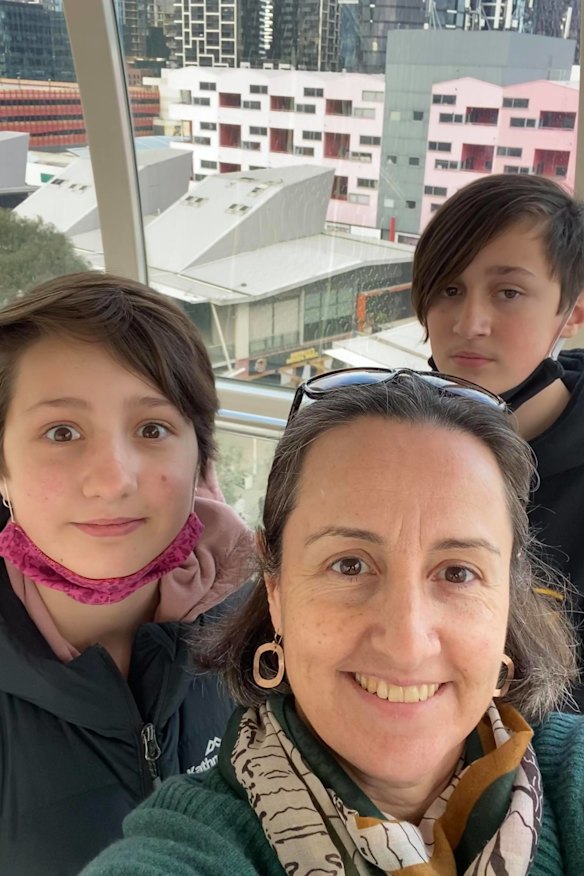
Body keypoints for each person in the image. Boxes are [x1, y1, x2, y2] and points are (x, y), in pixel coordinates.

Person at [81, 369, 582, 876]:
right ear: (274, 586)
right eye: (349, 565)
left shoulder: (573, 780)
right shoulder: (190, 851)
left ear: (508, 595)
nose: (406, 643)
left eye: (458, 572)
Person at [0, 272, 254, 876]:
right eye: (62, 432)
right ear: (2, 468)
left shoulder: (269, 627)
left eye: (152, 428)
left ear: (199, 456)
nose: (113, 479)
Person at [411, 174, 584, 709]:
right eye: (449, 289)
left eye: (508, 292)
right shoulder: (398, 444)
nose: (470, 323)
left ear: (572, 309)